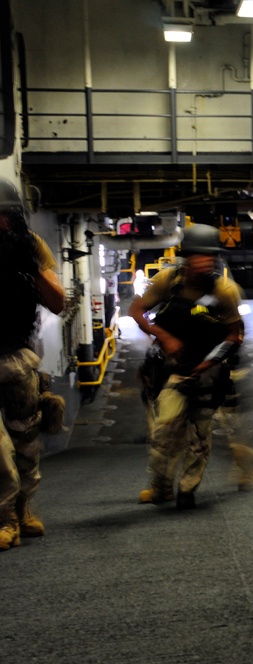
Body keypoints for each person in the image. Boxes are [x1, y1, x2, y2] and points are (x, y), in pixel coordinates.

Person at [129, 223, 244, 509]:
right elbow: (136, 309)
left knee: (200, 434)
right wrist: (163, 336)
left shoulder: (224, 291)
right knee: (165, 430)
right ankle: (162, 486)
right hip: (176, 368)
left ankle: (187, 489)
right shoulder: (169, 281)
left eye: (210, 256)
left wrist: (210, 363)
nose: (204, 261)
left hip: (209, 371)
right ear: (187, 256)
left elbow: (235, 334)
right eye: (198, 255)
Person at [1, 181, 66, 551]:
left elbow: (57, 303)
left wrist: (32, 267)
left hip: (17, 356)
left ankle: (24, 509)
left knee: (26, 440)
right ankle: (5, 515)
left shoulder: (31, 246)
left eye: (4, 216)